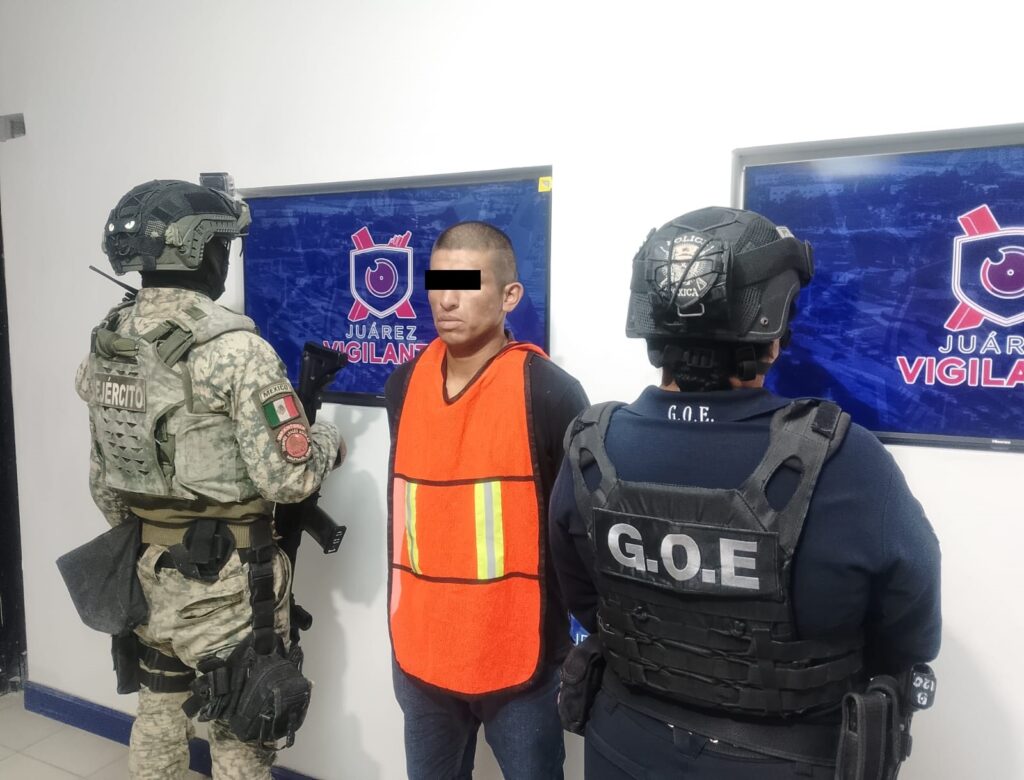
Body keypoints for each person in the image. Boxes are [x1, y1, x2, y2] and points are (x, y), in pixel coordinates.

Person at [549, 207, 941, 778]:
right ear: (772, 339)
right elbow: (910, 634)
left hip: (621, 742)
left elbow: (583, 595)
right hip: (783, 757)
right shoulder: (844, 458)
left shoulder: (590, 446)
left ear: (652, 330)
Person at [74, 180, 345, 779]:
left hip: (147, 573)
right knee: (244, 725)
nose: (226, 258)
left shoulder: (107, 346)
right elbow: (288, 480)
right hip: (230, 583)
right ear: (199, 250)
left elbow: (104, 485)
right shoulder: (236, 349)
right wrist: (329, 441)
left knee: (158, 712)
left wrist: (157, 532)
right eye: (223, 244)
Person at [384, 221, 589, 779]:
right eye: (437, 283)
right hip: (421, 650)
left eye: (466, 284)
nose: (446, 300)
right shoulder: (403, 385)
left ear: (509, 296)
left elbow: (576, 529)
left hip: (520, 657)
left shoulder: (549, 391)